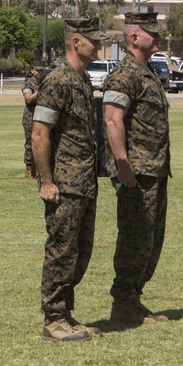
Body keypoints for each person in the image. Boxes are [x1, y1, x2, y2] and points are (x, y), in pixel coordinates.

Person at [31, 18, 109, 342]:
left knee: (81, 252)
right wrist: (47, 182)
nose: (99, 44)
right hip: (65, 184)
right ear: (76, 42)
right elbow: (39, 134)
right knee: (61, 250)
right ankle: (53, 319)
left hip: (85, 183)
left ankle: (65, 312)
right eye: (93, 39)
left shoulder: (82, 80)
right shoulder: (59, 81)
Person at [102, 11, 171, 325]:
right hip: (137, 173)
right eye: (151, 33)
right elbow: (112, 119)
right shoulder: (124, 75)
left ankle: (134, 299)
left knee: (150, 240)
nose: (157, 38)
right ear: (133, 38)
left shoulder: (146, 72)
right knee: (134, 239)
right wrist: (123, 165)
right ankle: (123, 304)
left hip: (153, 171)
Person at [21, 65, 44, 179]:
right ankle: (29, 169)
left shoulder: (43, 83)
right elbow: (28, 98)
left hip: (42, 116)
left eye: (42, 70)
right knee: (30, 142)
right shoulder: (28, 84)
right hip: (30, 117)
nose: (40, 73)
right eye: (37, 70)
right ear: (32, 70)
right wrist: (40, 92)